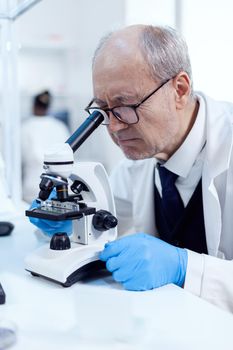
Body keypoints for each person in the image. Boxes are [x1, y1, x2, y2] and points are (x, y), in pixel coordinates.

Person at [29, 25, 233, 313]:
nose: (114, 127)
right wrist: (72, 220)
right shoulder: (137, 165)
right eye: (103, 109)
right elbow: (111, 223)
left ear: (180, 90)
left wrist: (187, 269)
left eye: (125, 105)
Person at [21, 90, 70, 203]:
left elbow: (19, 159)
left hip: (32, 187)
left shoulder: (25, 127)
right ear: (48, 107)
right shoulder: (60, 127)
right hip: (58, 188)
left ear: (33, 106)